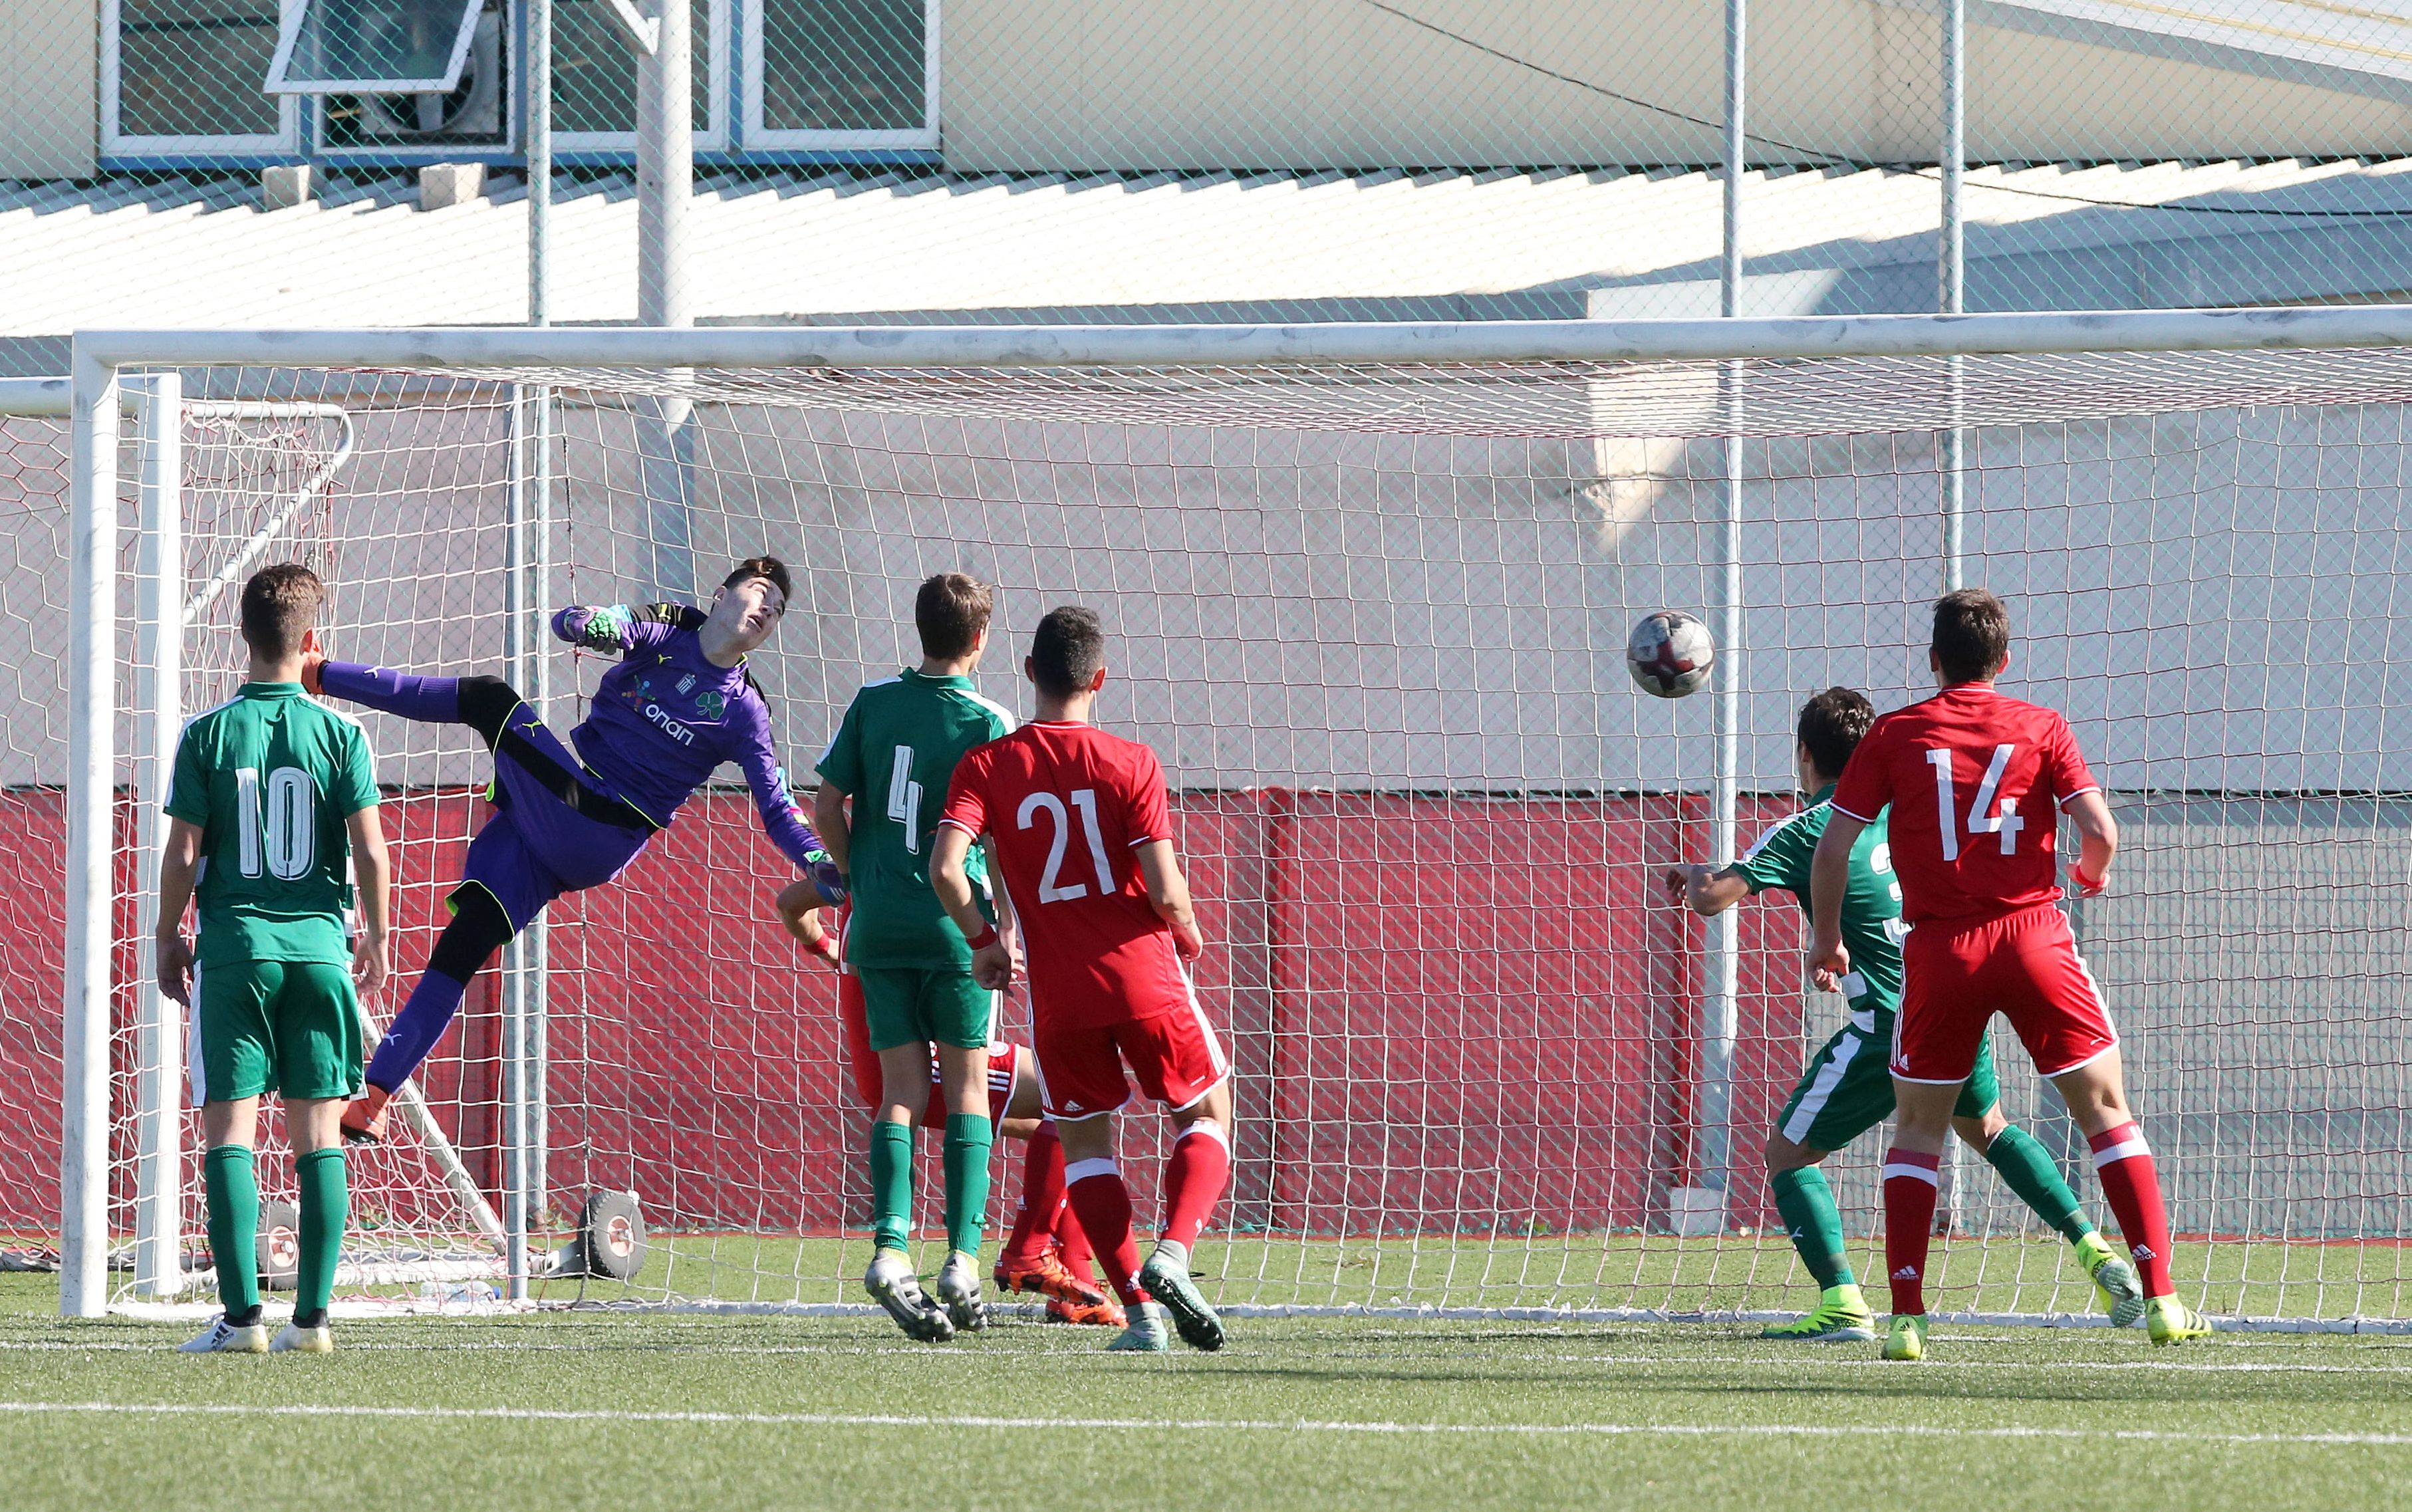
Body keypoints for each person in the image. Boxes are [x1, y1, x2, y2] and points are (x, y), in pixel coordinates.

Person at [304, 557, 842, 1144]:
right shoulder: (669, 628)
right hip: (560, 813)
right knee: (461, 949)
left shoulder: (745, 711)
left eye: (778, 610)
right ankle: (373, 1100)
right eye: (759, 593)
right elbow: (586, 623)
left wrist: (820, 861)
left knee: (488, 698)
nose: (766, 611)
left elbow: (778, 807)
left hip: (604, 825)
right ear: (720, 594)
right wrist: (590, 623)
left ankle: (317, 674)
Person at [1667, 686, 2142, 1344]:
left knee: (1788, 1154)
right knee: (1992, 1131)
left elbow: (1714, 899)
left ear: (1804, 756)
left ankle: (1844, 1303)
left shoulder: (1812, 827)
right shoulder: (1902, 810)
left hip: (1885, 1025)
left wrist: (1694, 874)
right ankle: (2095, 1248)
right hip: (1951, 997)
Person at [1809, 588, 2211, 1360]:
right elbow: (2099, 829)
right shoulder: (2041, 726)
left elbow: (1834, 849)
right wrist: (2091, 874)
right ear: (2004, 660)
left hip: (1939, 950)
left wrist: (1828, 939)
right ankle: (2161, 1301)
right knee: (2106, 1112)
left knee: (1921, 1129)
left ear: (1934, 661)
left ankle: (1907, 1319)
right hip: (2033, 938)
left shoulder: (1893, 733)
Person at [931, 606, 1234, 1354]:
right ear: (1099, 678)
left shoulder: (986, 766)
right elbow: (1165, 891)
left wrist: (983, 942)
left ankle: (1141, 1318)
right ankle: (1175, 1253)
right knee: (1206, 1114)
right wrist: (1189, 928)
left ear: (1029, 673)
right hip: (1145, 978)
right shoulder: (1131, 761)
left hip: (1060, 995)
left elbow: (946, 868)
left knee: (1088, 1144)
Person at [158, 564, 390, 1354]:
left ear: (245, 638)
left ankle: (241, 1321)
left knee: (229, 1133)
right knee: (318, 1138)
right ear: (310, 642)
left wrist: (166, 934)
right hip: (321, 954)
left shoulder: (208, 733)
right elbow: (370, 850)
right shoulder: (344, 735)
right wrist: (380, 937)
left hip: (237, 952)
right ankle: (314, 1323)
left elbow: (183, 850)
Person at [811, 573, 1028, 1340]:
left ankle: (890, 1250)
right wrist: (1002, 929)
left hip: (878, 925)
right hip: (951, 925)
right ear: (981, 638)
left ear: (920, 629)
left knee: (899, 1090)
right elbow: (996, 834)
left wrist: (857, 879)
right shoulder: (991, 719)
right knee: (969, 1089)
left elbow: (824, 804)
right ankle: (963, 1260)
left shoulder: (873, 701)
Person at [775, 891, 1125, 1328]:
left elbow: (791, 906)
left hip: (883, 1062)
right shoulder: (944, 876)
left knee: (1068, 1119)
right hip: (924, 1066)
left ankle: (1072, 1282)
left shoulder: (864, 872)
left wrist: (829, 951)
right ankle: (1028, 1254)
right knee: (1076, 1091)